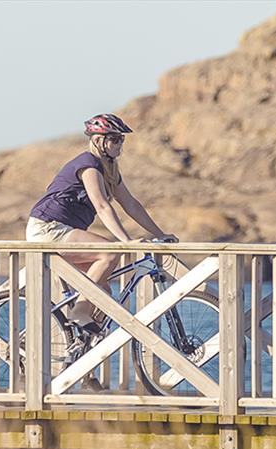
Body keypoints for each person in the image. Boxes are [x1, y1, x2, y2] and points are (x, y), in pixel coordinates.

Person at [26, 114, 175, 325]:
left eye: (122, 139)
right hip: (48, 228)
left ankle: (80, 346)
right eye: (114, 139)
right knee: (109, 253)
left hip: (65, 230)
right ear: (98, 140)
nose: (120, 144)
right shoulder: (88, 164)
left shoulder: (110, 170)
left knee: (104, 294)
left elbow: (131, 204)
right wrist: (125, 243)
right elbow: (102, 206)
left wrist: (161, 234)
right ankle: (78, 311)